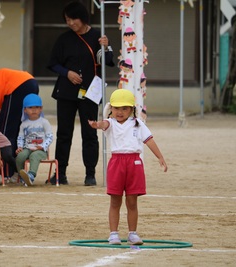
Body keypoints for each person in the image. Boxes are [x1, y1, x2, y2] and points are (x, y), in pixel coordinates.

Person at [47, 1, 114, 186]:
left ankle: (90, 174)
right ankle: (60, 174)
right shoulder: (64, 39)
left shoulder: (98, 37)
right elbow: (53, 63)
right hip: (66, 92)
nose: (70, 23)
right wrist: (67, 73)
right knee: (64, 133)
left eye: (73, 19)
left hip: (90, 93)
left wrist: (107, 47)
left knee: (90, 133)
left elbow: (108, 62)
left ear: (83, 18)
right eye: (67, 20)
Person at [88, 89, 168, 245]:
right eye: (117, 108)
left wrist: (160, 157)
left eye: (125, 108)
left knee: (132, 202)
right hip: (116, 163)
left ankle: (132, 234)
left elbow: (149, 141)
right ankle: (113, 234)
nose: (120, 112)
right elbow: (103, 124)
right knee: (115, 201)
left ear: (132, 110)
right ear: (111, 109)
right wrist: (96, 125)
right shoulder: (110, 123)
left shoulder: (138, 124)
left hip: (134, 164)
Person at [15, 94, 53, 186]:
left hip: (40, 150)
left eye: (37, 107)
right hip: (27, 148)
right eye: (30, 107)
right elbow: (20, 137)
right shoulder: (23, 124)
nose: (34, 110)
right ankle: (22, 176)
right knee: (20, 156)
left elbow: (50, 137)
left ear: (41, 109)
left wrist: (43, 146)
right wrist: (20, 147)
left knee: (34, 156)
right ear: (25, 110)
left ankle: (31, 176)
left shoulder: (44, 122)